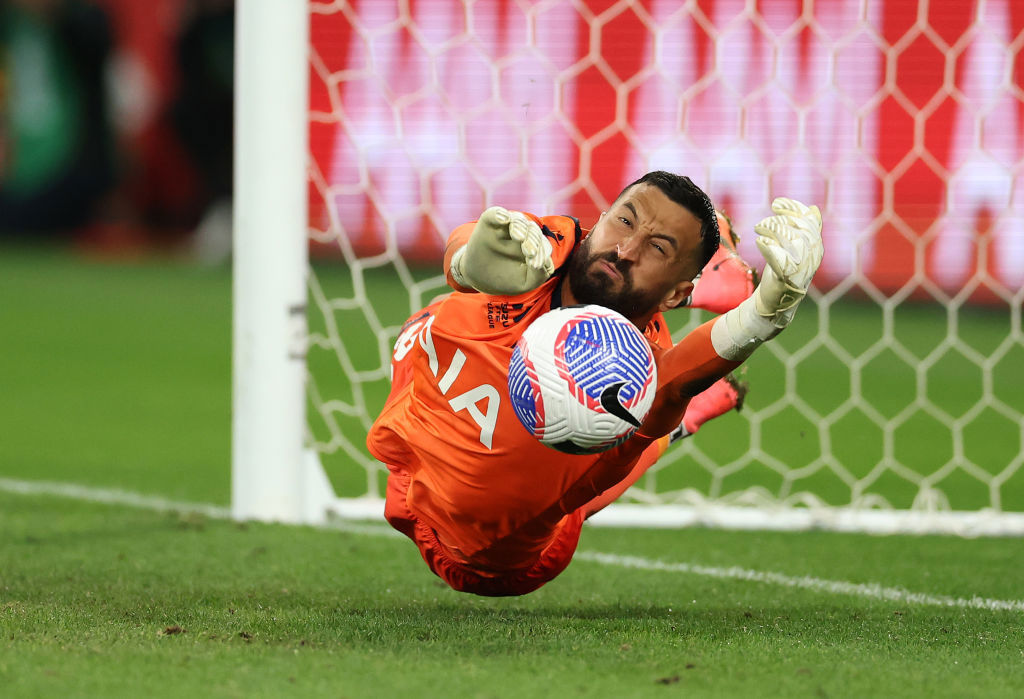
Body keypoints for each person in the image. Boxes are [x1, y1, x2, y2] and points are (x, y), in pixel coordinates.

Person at [367, 171, 823, 596]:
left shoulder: (638, 382)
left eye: (658, 247)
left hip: (481, 556)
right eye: (624, 221)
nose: (625, 248)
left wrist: (768, 309)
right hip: (416, 394)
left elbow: (686, 373)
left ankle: (691, 404)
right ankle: (709, 281)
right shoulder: (552, 247)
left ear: (674, 294)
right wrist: (476, 261)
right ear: (600, 219)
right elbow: (470, 248)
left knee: (609, 459)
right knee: (626, 395)